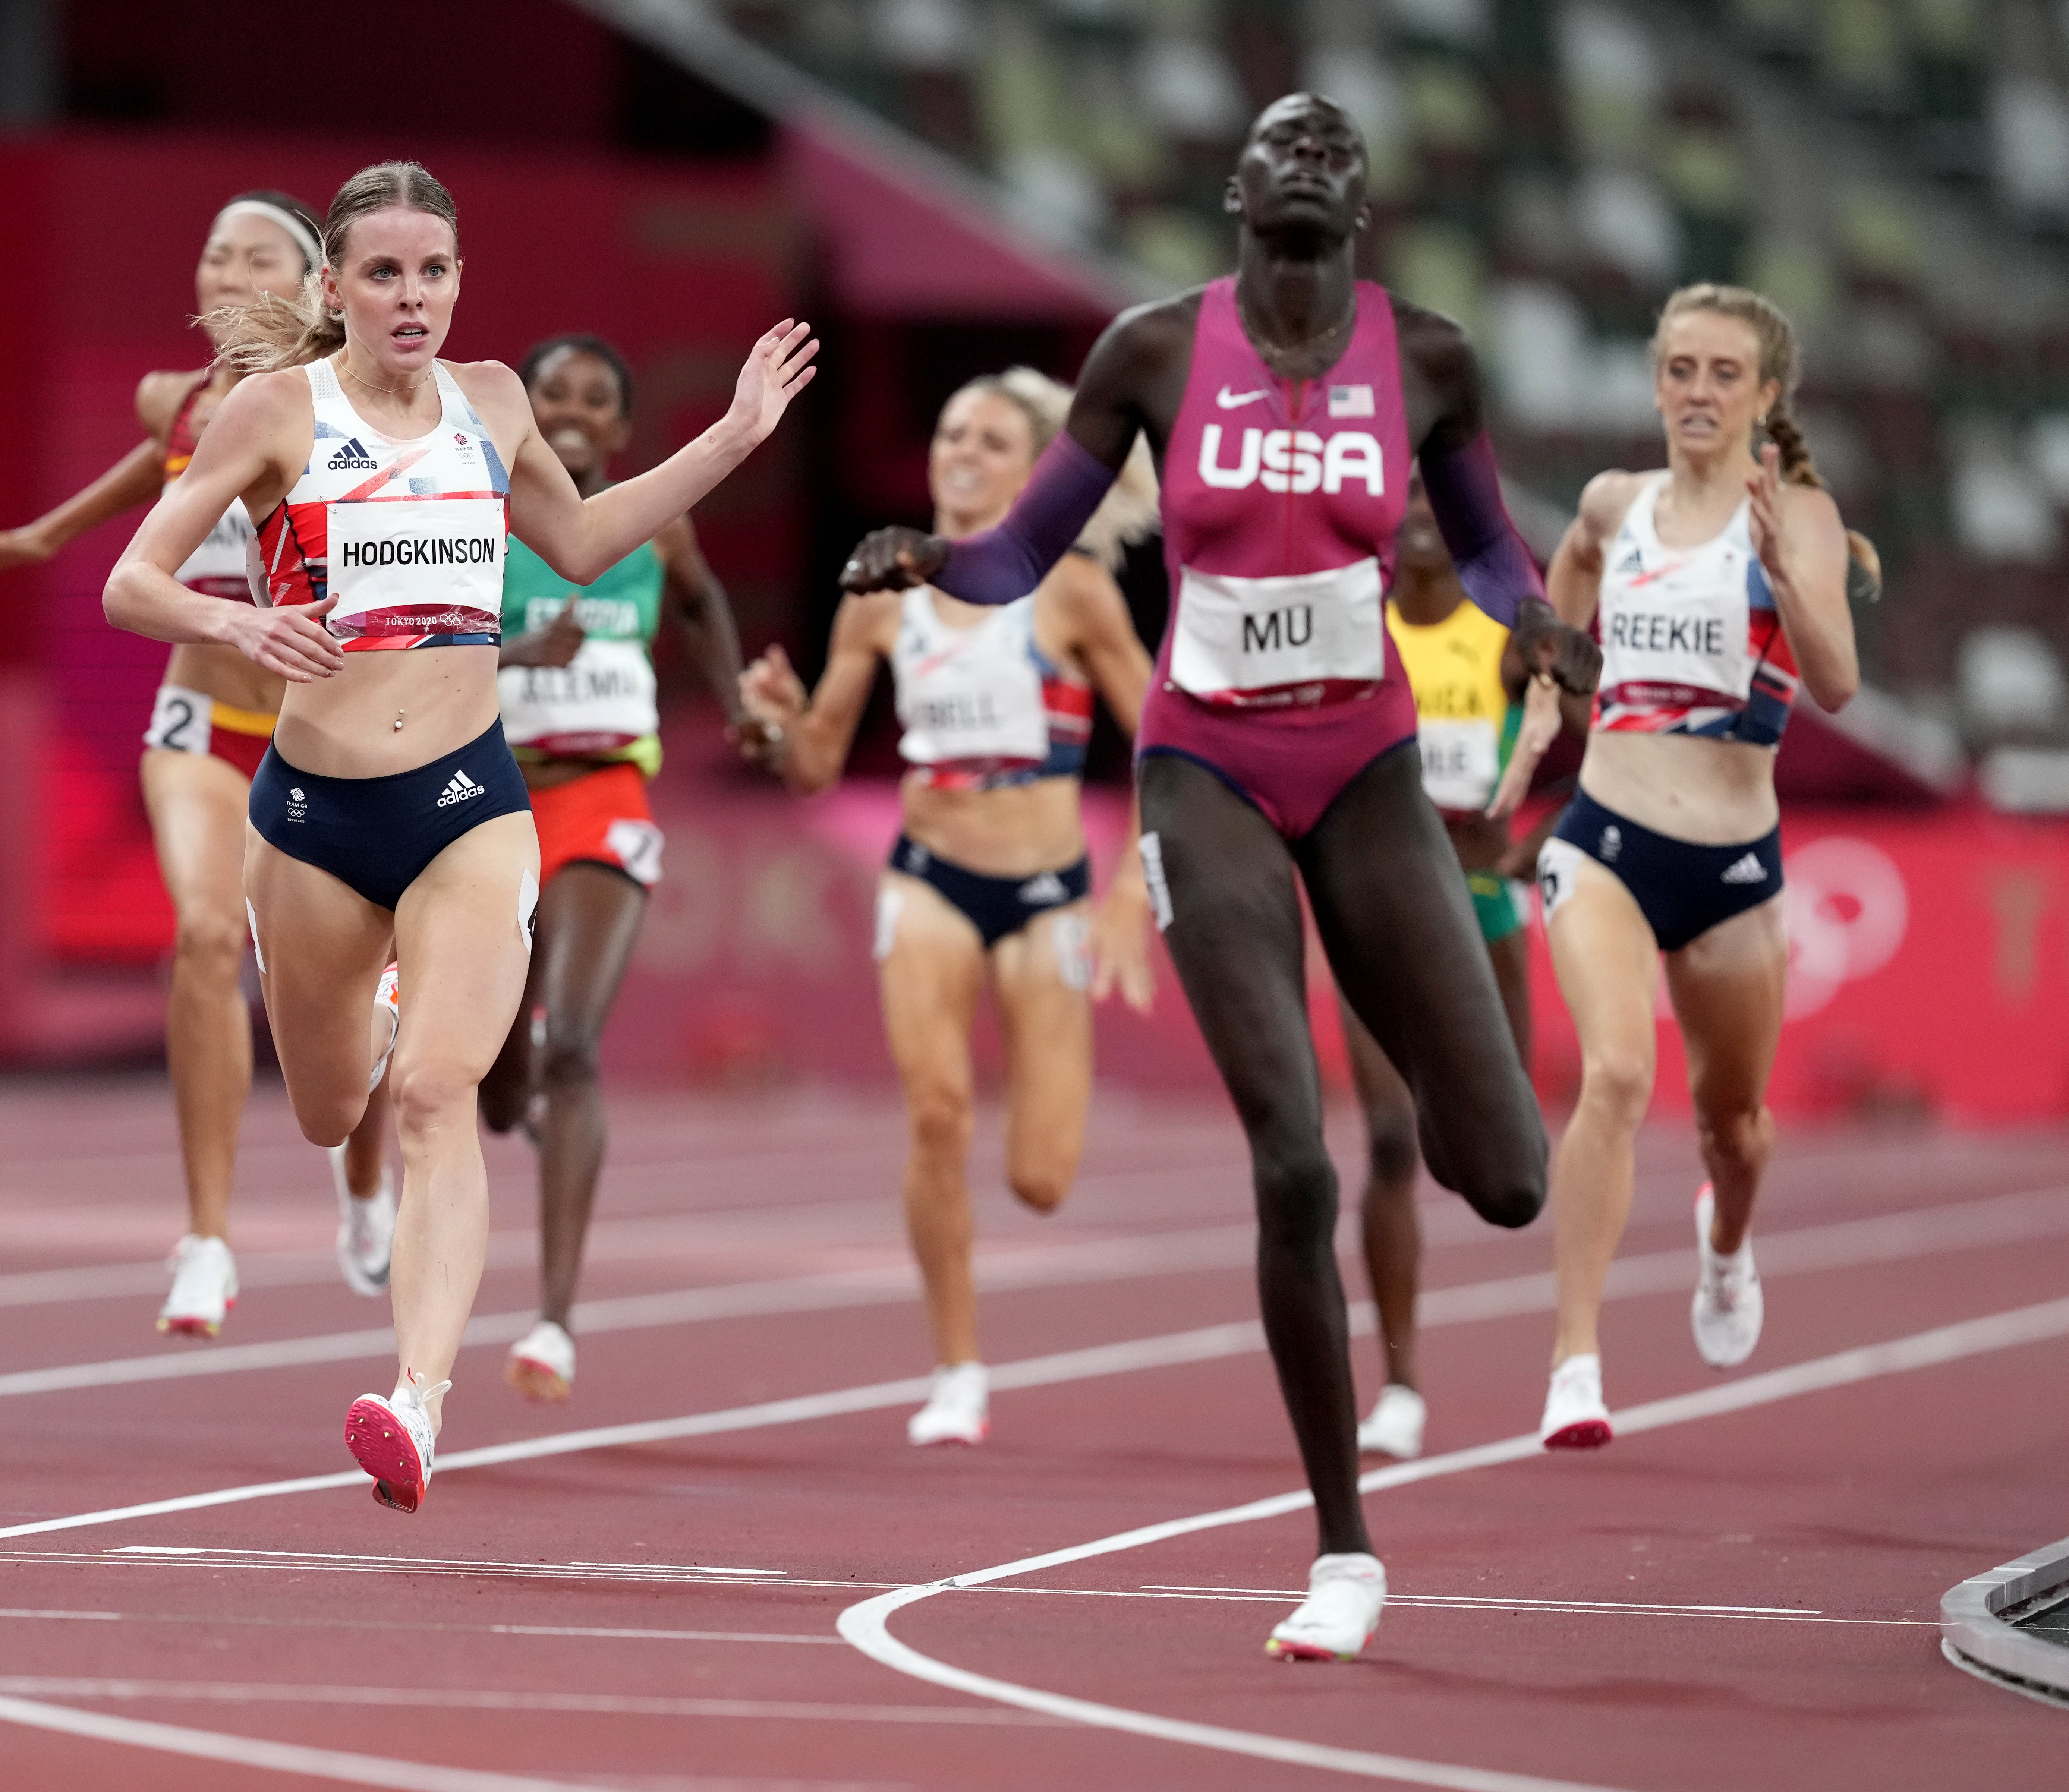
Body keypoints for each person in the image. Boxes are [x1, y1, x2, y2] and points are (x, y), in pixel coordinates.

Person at [837, 94, 1600, 1661]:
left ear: (1364, 203)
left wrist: (1530, 619)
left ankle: (1460, 1152)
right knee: (1293, 1162)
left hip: (1371, 770)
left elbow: (1494, 547)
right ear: (1239, 189)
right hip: (1205, 771)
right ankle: (1340, 1545)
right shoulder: (1151, 351)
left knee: (1510, 1173)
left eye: (1338, 144)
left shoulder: (1431, 357)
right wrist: (925, 551)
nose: (1311, 154)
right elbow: (1016, 559)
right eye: (1283, 141)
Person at [102, 161, 815, 1512]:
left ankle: (416, 1401)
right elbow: (132, 582)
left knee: (439, 1099)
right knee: (331, 1109)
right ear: (333, 289)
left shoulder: (492, 401)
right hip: (311, 820)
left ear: (459, 283)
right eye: (382, 274)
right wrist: (237, 623)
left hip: (467, 808)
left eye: (433, 272)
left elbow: (591, 539)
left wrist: (730, 434)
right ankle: (359, 1019)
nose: (412, 297)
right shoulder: (273, 413)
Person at [0, 192, 400, 1337]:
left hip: (327, 731)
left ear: (318, 288)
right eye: (212, 256)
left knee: (342, 998)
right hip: (202, 719)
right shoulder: (180, 399)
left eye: (259, 258)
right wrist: (42, 538)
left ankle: (362, 1174)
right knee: (205, 936)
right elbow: (157, 468)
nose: (227, 274)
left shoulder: (356, 406)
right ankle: (205, 1239)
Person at [739, 368, 1157, 1446]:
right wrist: (779, 725)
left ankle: (979, 1314)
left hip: (1047, 895)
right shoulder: (882, 594)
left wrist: (1127, 897)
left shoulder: (1069, 591)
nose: (961, 455)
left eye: (989, 442)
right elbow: (816, 769)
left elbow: (1168, 744)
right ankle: (956, 1367)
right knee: (933, 1114)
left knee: (1041, 1177)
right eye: (948, 434)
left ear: (1032, 474)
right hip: (926, 875)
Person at [1493, 284, 1867, 1451]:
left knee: (1735, 1130)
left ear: (1763, 397)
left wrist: (1784, 571)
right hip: (1604, 836)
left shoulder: (1797, 513)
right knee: (1611, 1075)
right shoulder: (1616, 505)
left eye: (1722, 374)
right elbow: (1556, 593)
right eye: (1680, 370)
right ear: (1654, 382)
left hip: (1730, 867)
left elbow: (1837, 683)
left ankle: (1723, 1249)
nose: (1697, 392)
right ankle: (1574, 1365)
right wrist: (1547, 704)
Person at [472, 332, 770, 1403]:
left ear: (622, 431)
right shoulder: (478, 514)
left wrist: (735, 705)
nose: (573, 411)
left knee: (575, 1050)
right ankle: (517, 1100)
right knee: (498, 1090)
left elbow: (697, 602)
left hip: (603, 794)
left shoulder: (654, 521)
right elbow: (408, 641)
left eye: (597, 400)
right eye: (553, 391)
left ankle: (553, 1320)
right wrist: (512, 654)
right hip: (489, 802)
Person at [1342, 495, 1580, 1462]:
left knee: (1497, 1162)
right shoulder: (1358, 631)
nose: (1421, 517)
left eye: (1442, 498)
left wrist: (1542, 836)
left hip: (1479, 904)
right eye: (1402, 503)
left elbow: (1612, 726)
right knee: (1390, 1143)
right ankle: (1397, 1383)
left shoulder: (1503, 638)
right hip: (1372, 896)